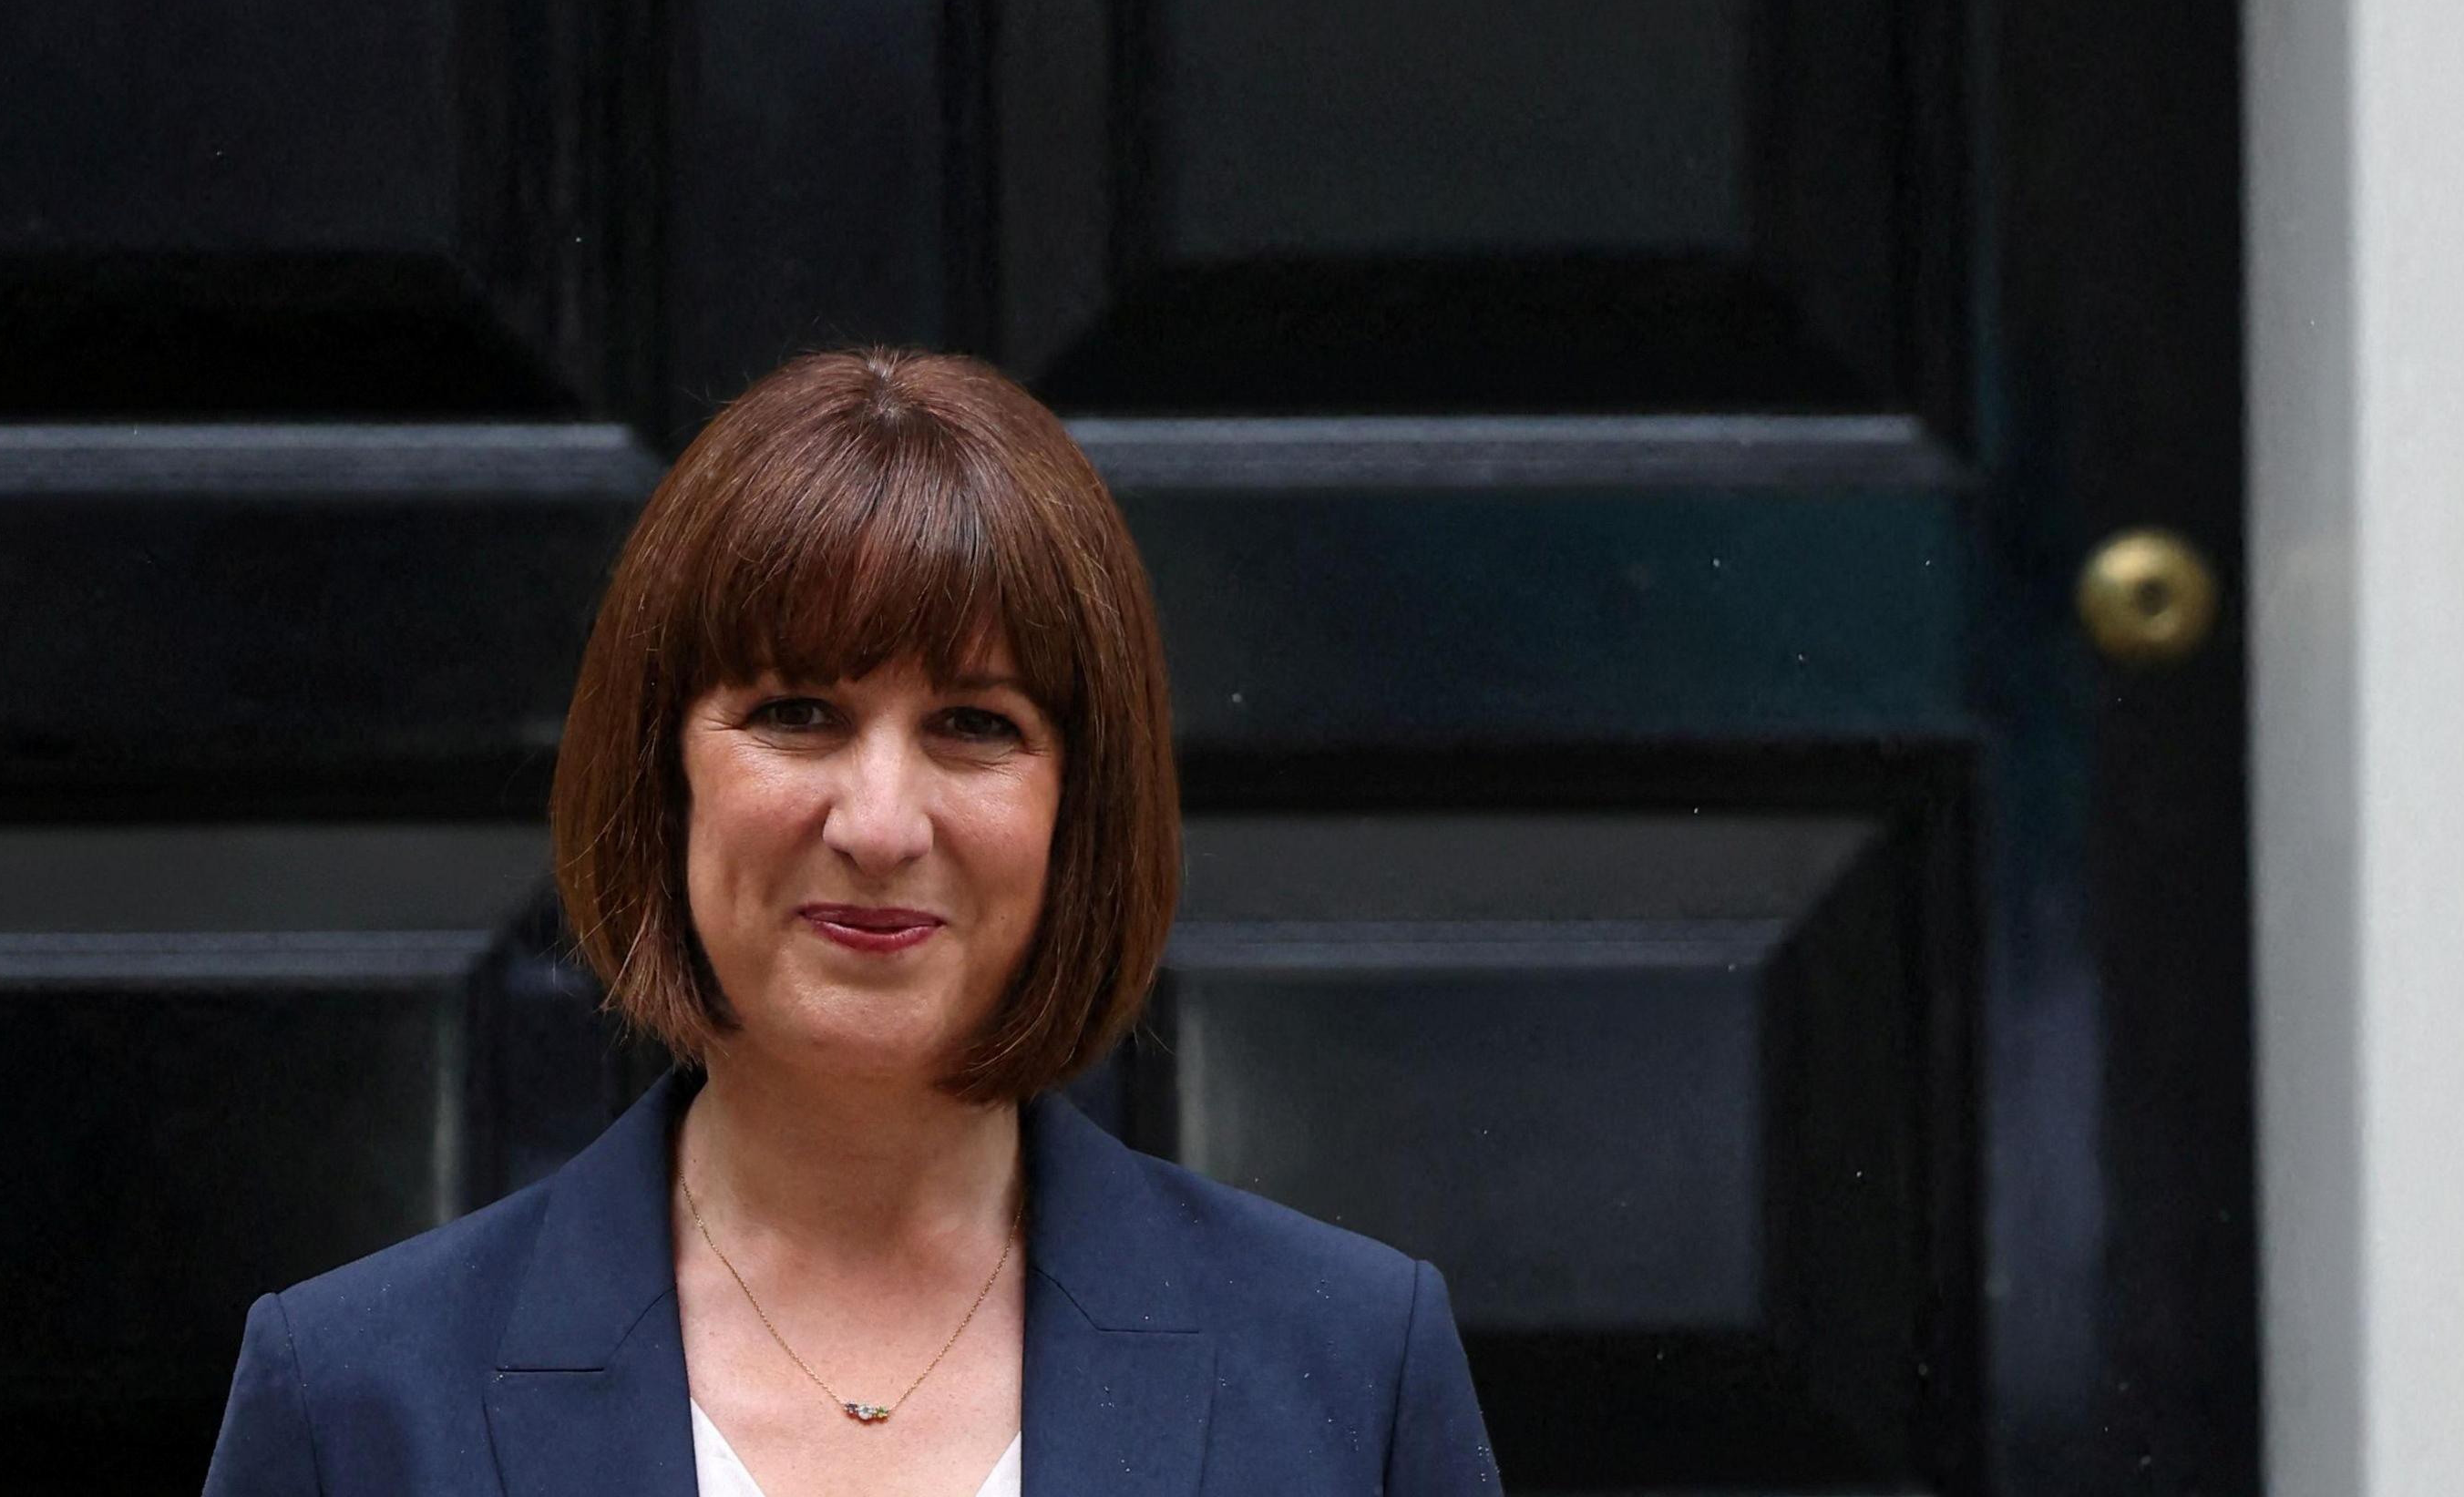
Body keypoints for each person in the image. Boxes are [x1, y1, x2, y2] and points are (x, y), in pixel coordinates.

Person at [202, 348, 1502, 1496]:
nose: (880, 824)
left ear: (1081, 810)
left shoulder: (1349, 1366)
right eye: (797, 714)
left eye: (976, 726)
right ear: (663, 777)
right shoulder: (353, 1400)